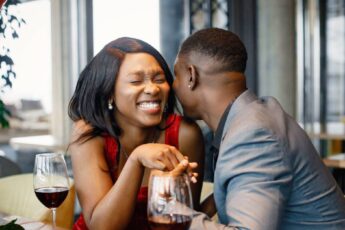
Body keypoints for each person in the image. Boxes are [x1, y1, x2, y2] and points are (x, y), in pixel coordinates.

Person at [172, 27, 345, 229]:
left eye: (176, 75)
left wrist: (170, 211)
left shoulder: (253, 135)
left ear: (191, 76)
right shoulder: (256, 115)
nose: (173, 86)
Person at [68, 37, 204, 230]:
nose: (152, 89)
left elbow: (187, 217)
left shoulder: (185, 134)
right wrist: (136, 159)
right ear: (109, 92)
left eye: (159, 79)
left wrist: (221, 196)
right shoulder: (89, 133)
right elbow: (101, 227)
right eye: (135, 81)